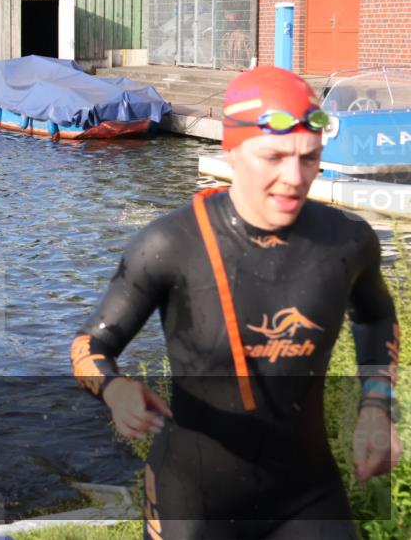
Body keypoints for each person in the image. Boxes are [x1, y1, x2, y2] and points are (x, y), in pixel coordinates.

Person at [70, 66, 400, 539]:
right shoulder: (169, 244)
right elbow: (89, 347)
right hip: (195, 495)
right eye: (274, 157)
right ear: (231, 149)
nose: (294, 178)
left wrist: (376, 404)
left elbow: (376, 316)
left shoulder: (347, 241)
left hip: (304, 492)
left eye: (309, 158)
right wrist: (115, 390)